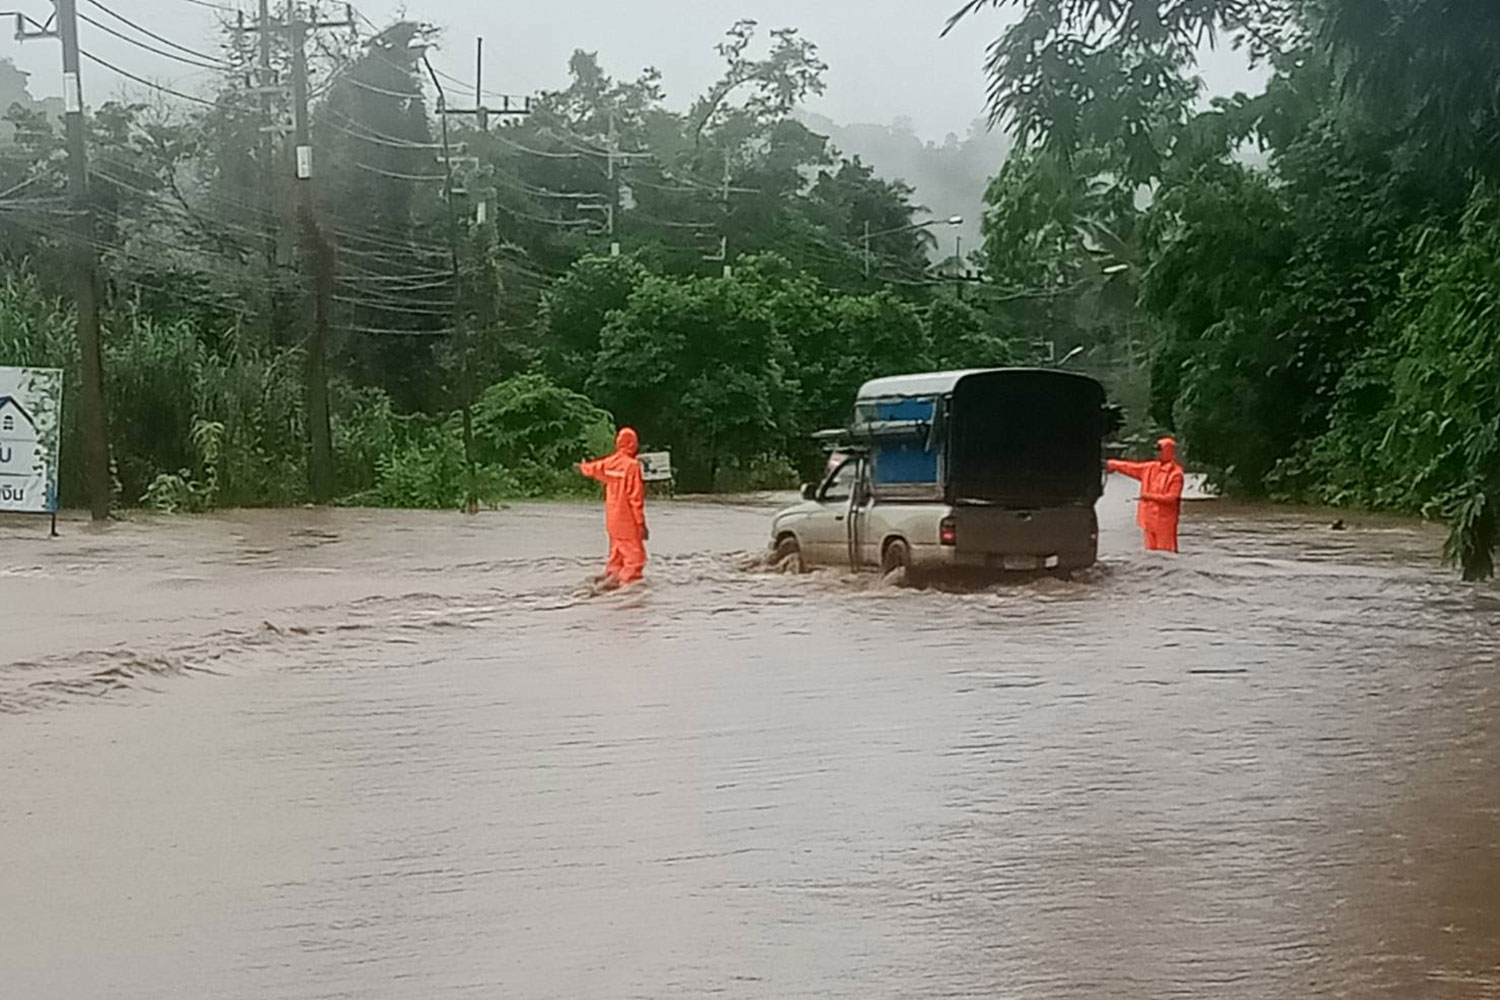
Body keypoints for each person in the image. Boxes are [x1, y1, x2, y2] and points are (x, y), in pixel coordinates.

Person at [578, 427, 649, 588]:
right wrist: (641, 524)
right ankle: (627, 591)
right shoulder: (632, 466)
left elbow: (592, 468)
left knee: (617, 555)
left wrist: (582, 467)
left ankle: (610, 579)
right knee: (635, 559)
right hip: (628, 521)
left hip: (612, 520)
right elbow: (635, 498)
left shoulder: (610, 463)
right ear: (633, 444)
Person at [1107, 436, 1185, 553]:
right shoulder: (1150, 468)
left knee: (1167, 554)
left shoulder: (1176, 474)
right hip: (1148, 520)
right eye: (1156, 450)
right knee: (1150, 554)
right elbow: (1130, 467)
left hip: (1164, 522)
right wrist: (1111, 464)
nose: (1157, 453)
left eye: (1159, 450)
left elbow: (1172, 498)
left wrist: (1148, 496)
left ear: (1167, 451)